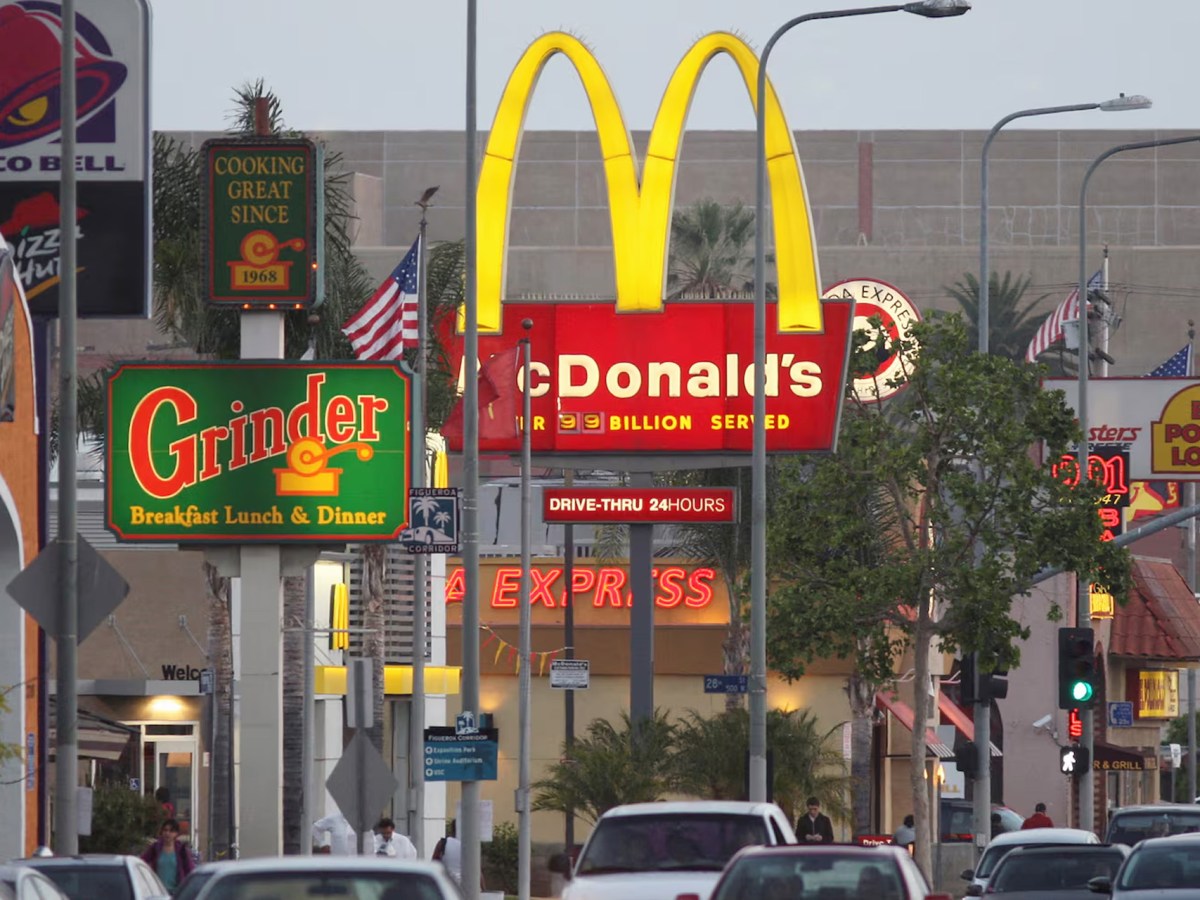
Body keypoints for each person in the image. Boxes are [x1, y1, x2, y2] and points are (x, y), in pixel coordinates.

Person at [141, 818, 195, 895]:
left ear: (176, 834)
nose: (167, 833)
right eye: (165, 830)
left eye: (171, 831)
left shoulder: (181, 851)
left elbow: (190, 870)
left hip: (176, 893)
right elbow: (142, 861)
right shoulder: (155, 848)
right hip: (158, 893)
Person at [433, 820, 463, 885]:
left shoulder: (443, 843)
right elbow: (478, 871)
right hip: (465, 885)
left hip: (447, 884)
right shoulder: (470, 846)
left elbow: (433, 864)